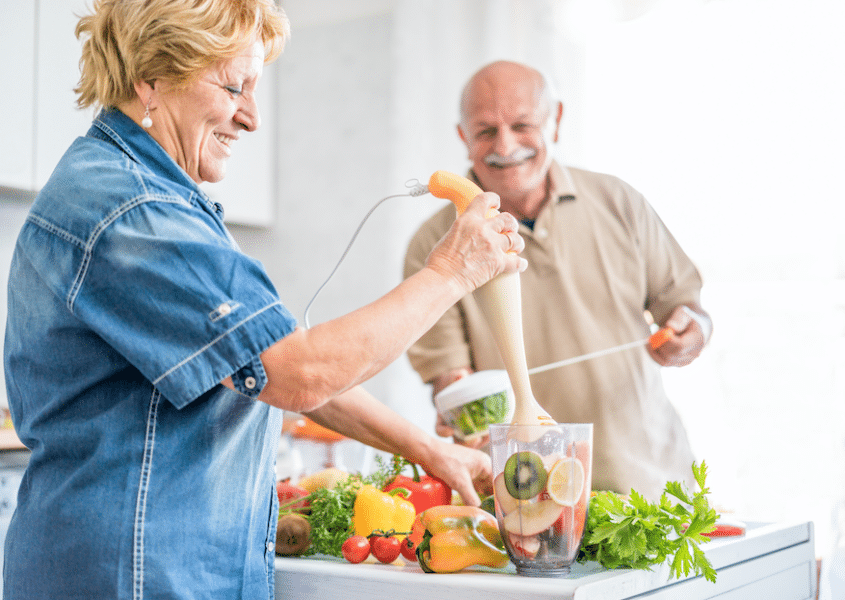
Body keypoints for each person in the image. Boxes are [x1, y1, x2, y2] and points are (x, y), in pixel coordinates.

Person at [2, 3, 527, 598]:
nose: (250, 118)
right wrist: (453, 270)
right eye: (234, 87)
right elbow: (296, 373)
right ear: (150, 77)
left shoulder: (141, 192)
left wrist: (429, 449)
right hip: (135, 576)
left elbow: (259, 364)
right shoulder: (136, 212)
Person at [404, 60, 712, 500]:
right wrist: (461, 409)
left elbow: (689, 308)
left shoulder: (619, 201)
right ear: (463, 137)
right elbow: (453, 381)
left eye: (522, 124)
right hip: (527, 500)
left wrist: (693, 332)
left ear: (557, 120)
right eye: (486, 130)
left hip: (650, 486)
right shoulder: (433, 246)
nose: (505, 146)